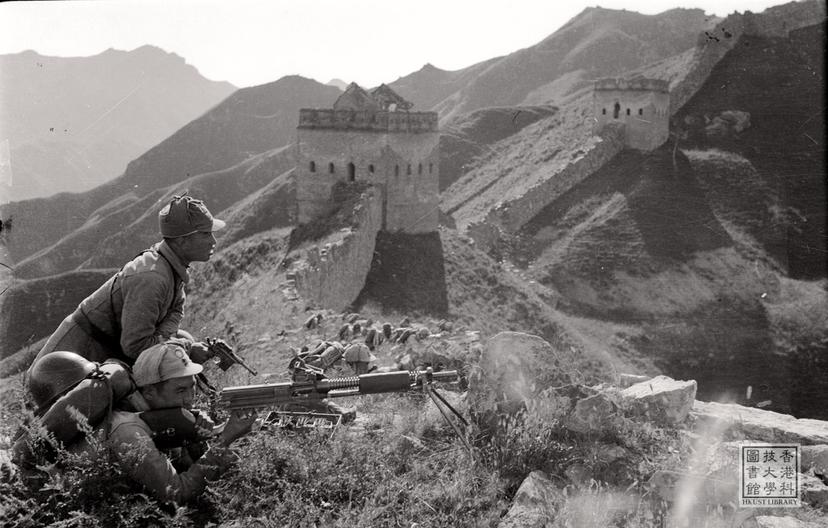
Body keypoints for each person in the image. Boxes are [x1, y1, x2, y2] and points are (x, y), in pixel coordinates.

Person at [29, 194, 224, 374]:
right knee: (179, 350)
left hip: (103, 351)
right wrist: (187, 350)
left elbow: (171, 319)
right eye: (206, 234)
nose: (213, 240)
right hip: (69, 361)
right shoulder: (152, 277)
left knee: (183, 340)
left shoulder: (171, 270)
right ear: (182, 241)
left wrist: (183, 345)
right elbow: (135, 347)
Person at [71, 341, 257, 503]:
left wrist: (201, 435)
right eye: (180, 391)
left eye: (191, 388)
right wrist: (224, 440)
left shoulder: (161, 417)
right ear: (150, 392)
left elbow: (187, 465)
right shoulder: (129, 430)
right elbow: (177, 493)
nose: (189, 399)